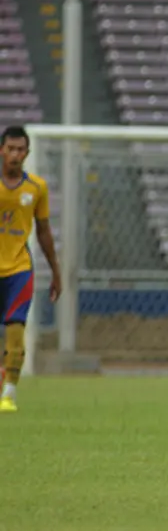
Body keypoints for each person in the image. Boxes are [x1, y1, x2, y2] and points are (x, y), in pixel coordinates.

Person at [0, 125, 62, 413]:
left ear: (27, 153)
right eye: (10, 148)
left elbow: (44, 231)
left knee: (15, 331)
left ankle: (8, 394)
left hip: (19, 270)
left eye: (20, 149)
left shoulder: (36, 187)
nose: (15, 154)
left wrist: (56, 271)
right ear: (2, 150)